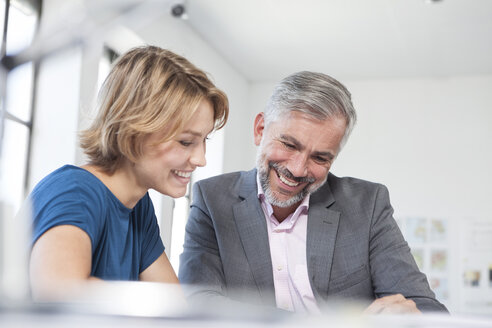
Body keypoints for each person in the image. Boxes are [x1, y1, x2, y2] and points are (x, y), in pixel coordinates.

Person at [179, 71, 447, 314]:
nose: (297, 170)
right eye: (288, 144)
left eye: (320, 158)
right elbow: (199, 303)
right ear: (260, 129)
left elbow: (426, 307)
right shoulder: (212, 200)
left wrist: (412, 316)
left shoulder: (368, 205)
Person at [28, 46, 228, 300]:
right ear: (133, 130)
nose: (201, 159)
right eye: (186, 142)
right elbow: (60, 295)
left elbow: (174, 307)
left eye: (204, 141)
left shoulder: (138, 208)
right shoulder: (74, 192)